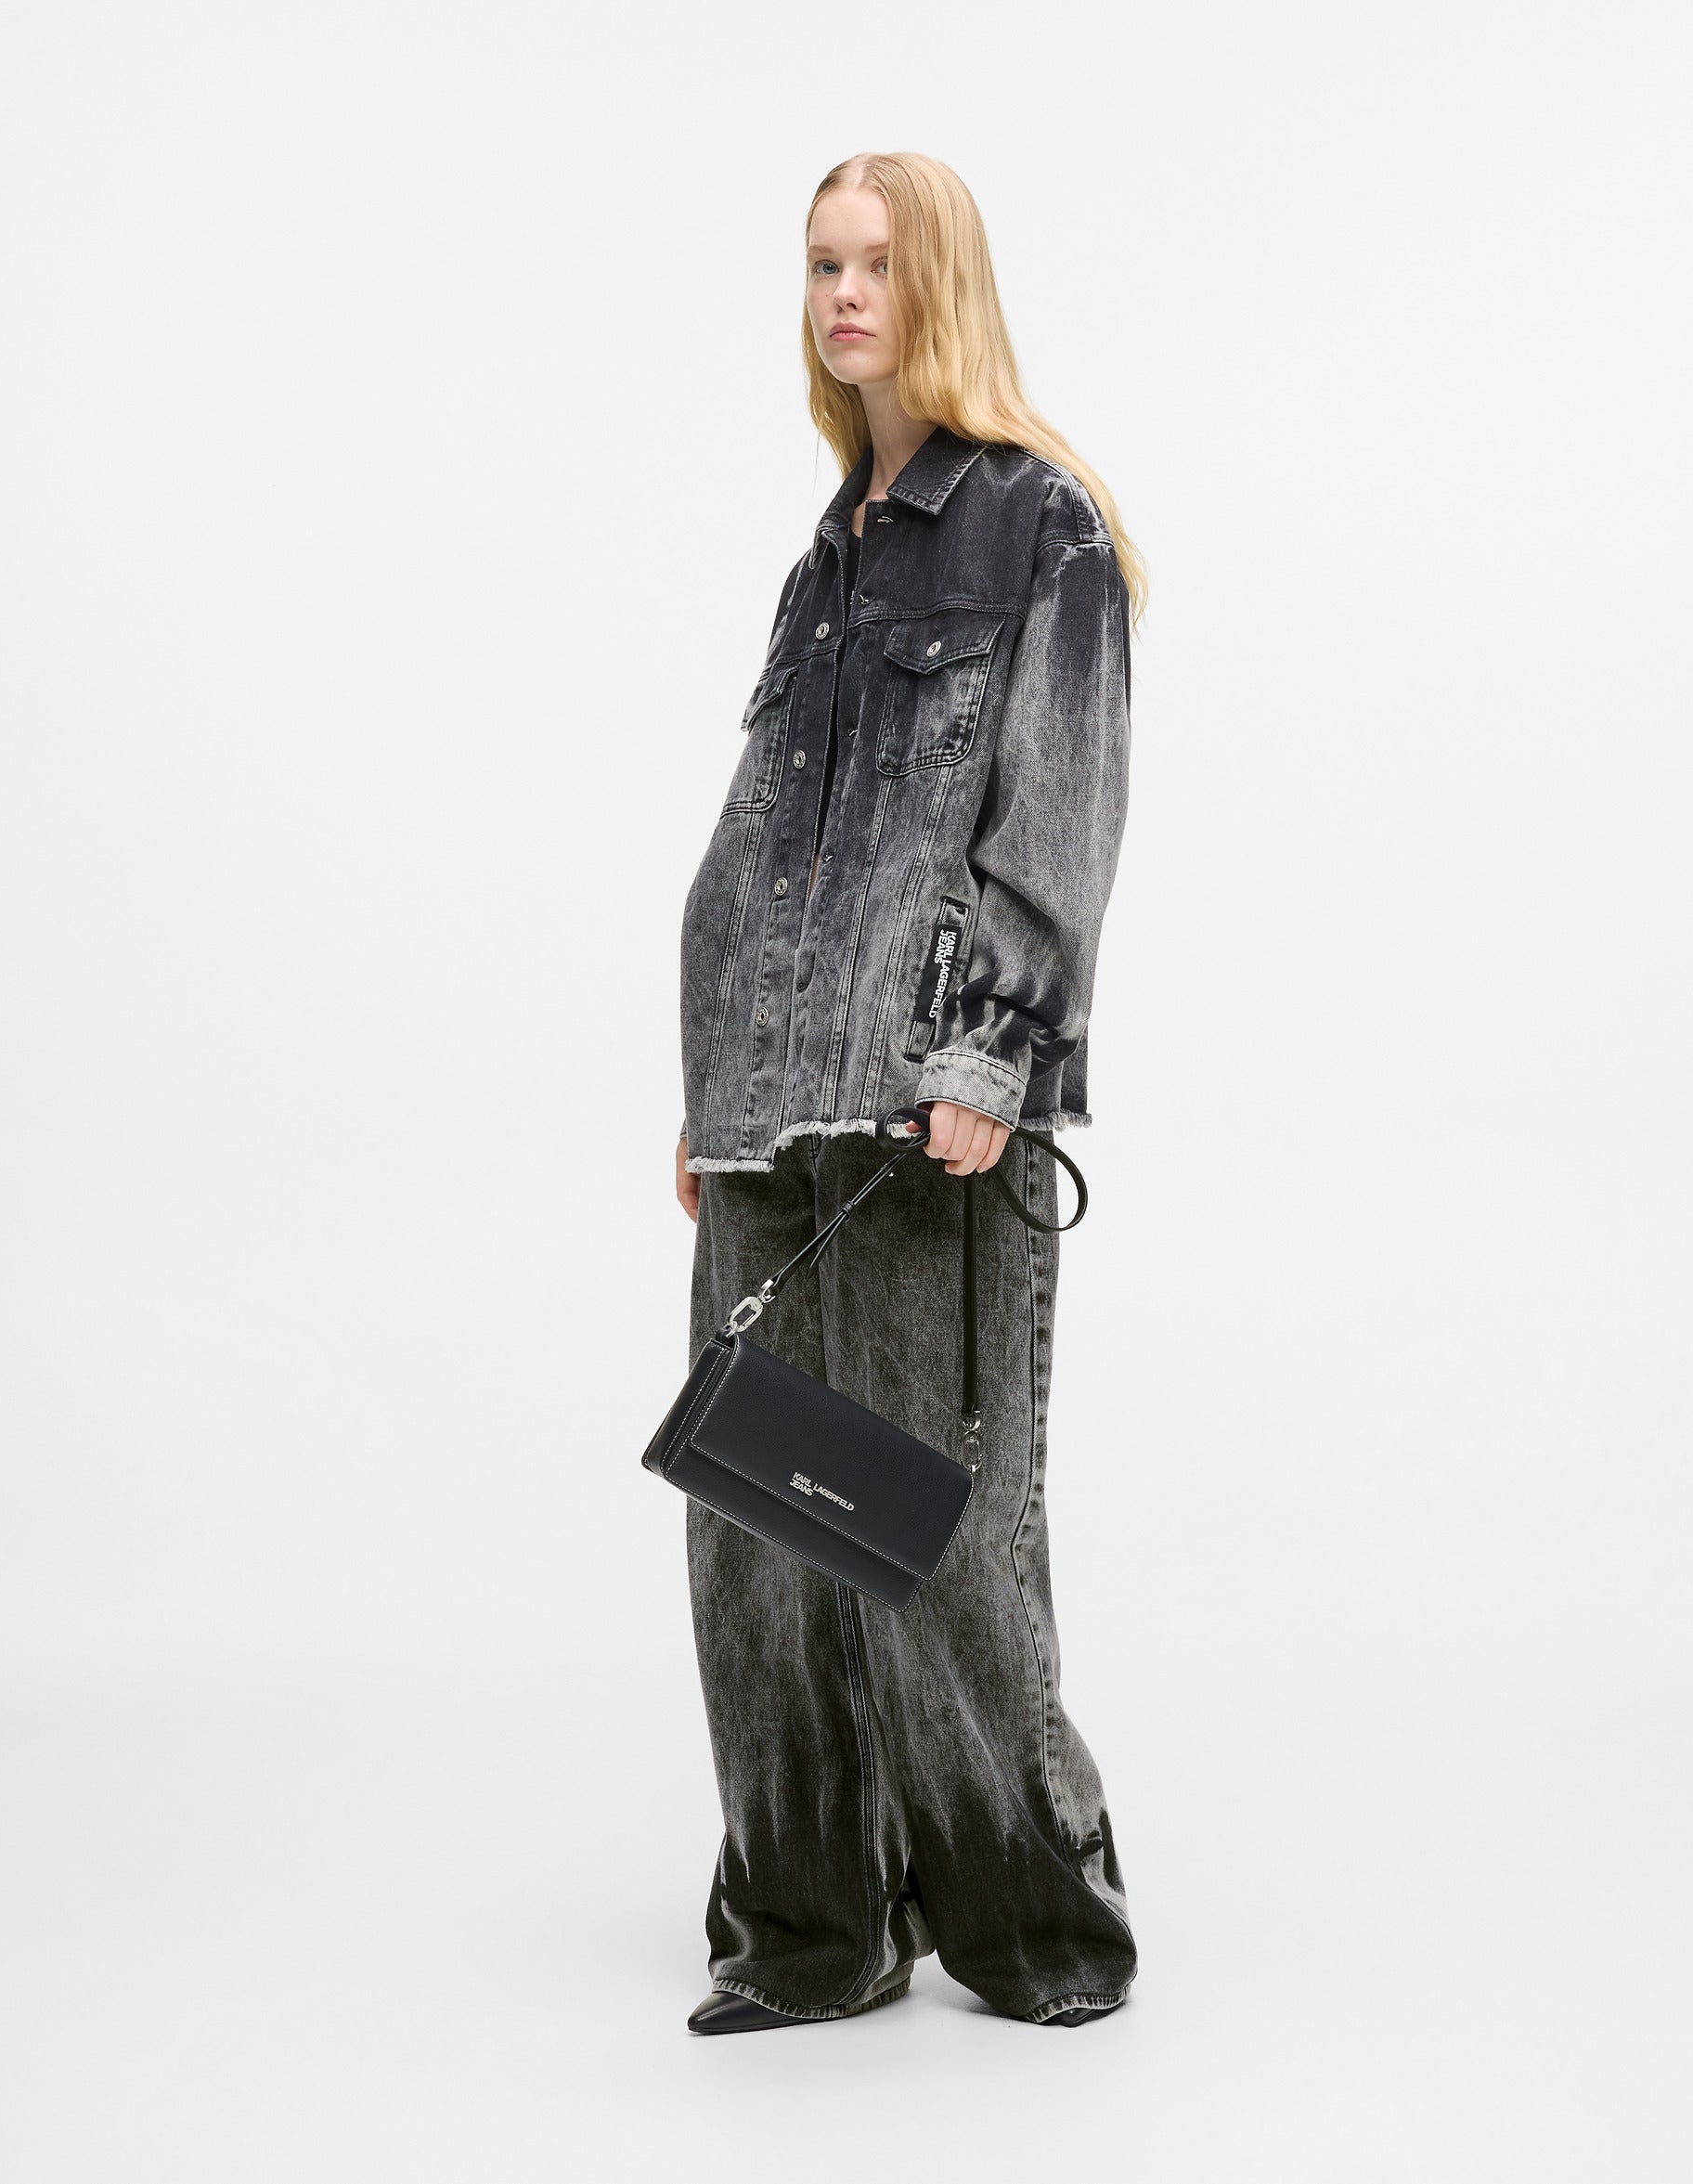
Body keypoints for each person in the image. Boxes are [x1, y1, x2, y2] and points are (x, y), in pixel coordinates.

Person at [671, 150, 1143, 2035]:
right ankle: (811, 1928)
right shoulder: (828, 554)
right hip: (769, 1107)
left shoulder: (1039, 522)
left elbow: (1062, 808)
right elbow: (767, 835)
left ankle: (1035, 1926)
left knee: (933, 1528)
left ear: (940, 283)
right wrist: (714, 1082)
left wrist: (991, 1052)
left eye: (876, 263)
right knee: (759, 1540)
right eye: (820, 265)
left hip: (923, 1110)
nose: (843, 295)